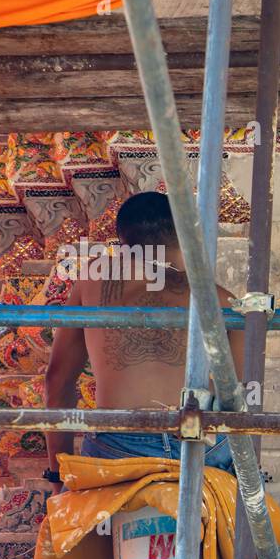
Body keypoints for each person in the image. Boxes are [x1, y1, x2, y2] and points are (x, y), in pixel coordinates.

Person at [44, 192, 245, 487]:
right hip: (197, 440)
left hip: (117, 445)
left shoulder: (91, 282)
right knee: (232, 517)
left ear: (123, 242)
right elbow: (242, 395)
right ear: (189, 234)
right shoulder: (223, 302)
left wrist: (56, 474)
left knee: (87, 524)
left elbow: (57, 382)